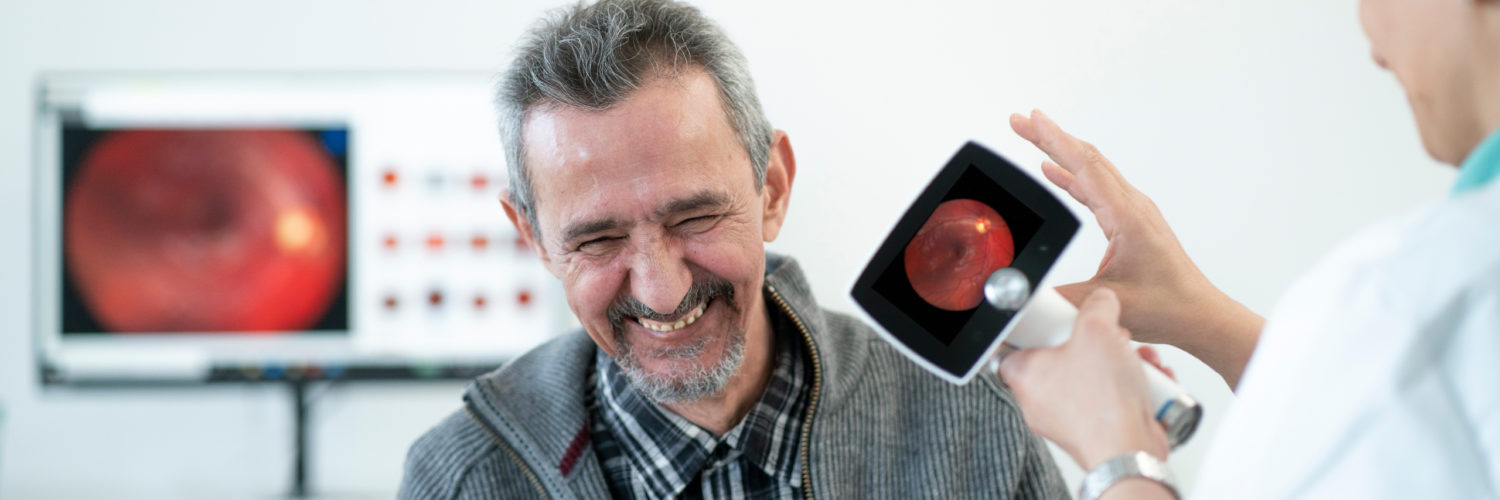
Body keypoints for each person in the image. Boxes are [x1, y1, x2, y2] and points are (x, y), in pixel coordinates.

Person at [398, 0, 1069, 498]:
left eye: (694, 218)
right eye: (598, 239)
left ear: (772, 189)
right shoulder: (461, 478)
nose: (660, 290)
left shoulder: (978, 427)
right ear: (534, 239)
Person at [996, 0, 1500, 498]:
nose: (1371, 41)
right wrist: (1198, 316)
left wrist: (1115, 457)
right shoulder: (1427, 301)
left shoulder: (1416, 292)